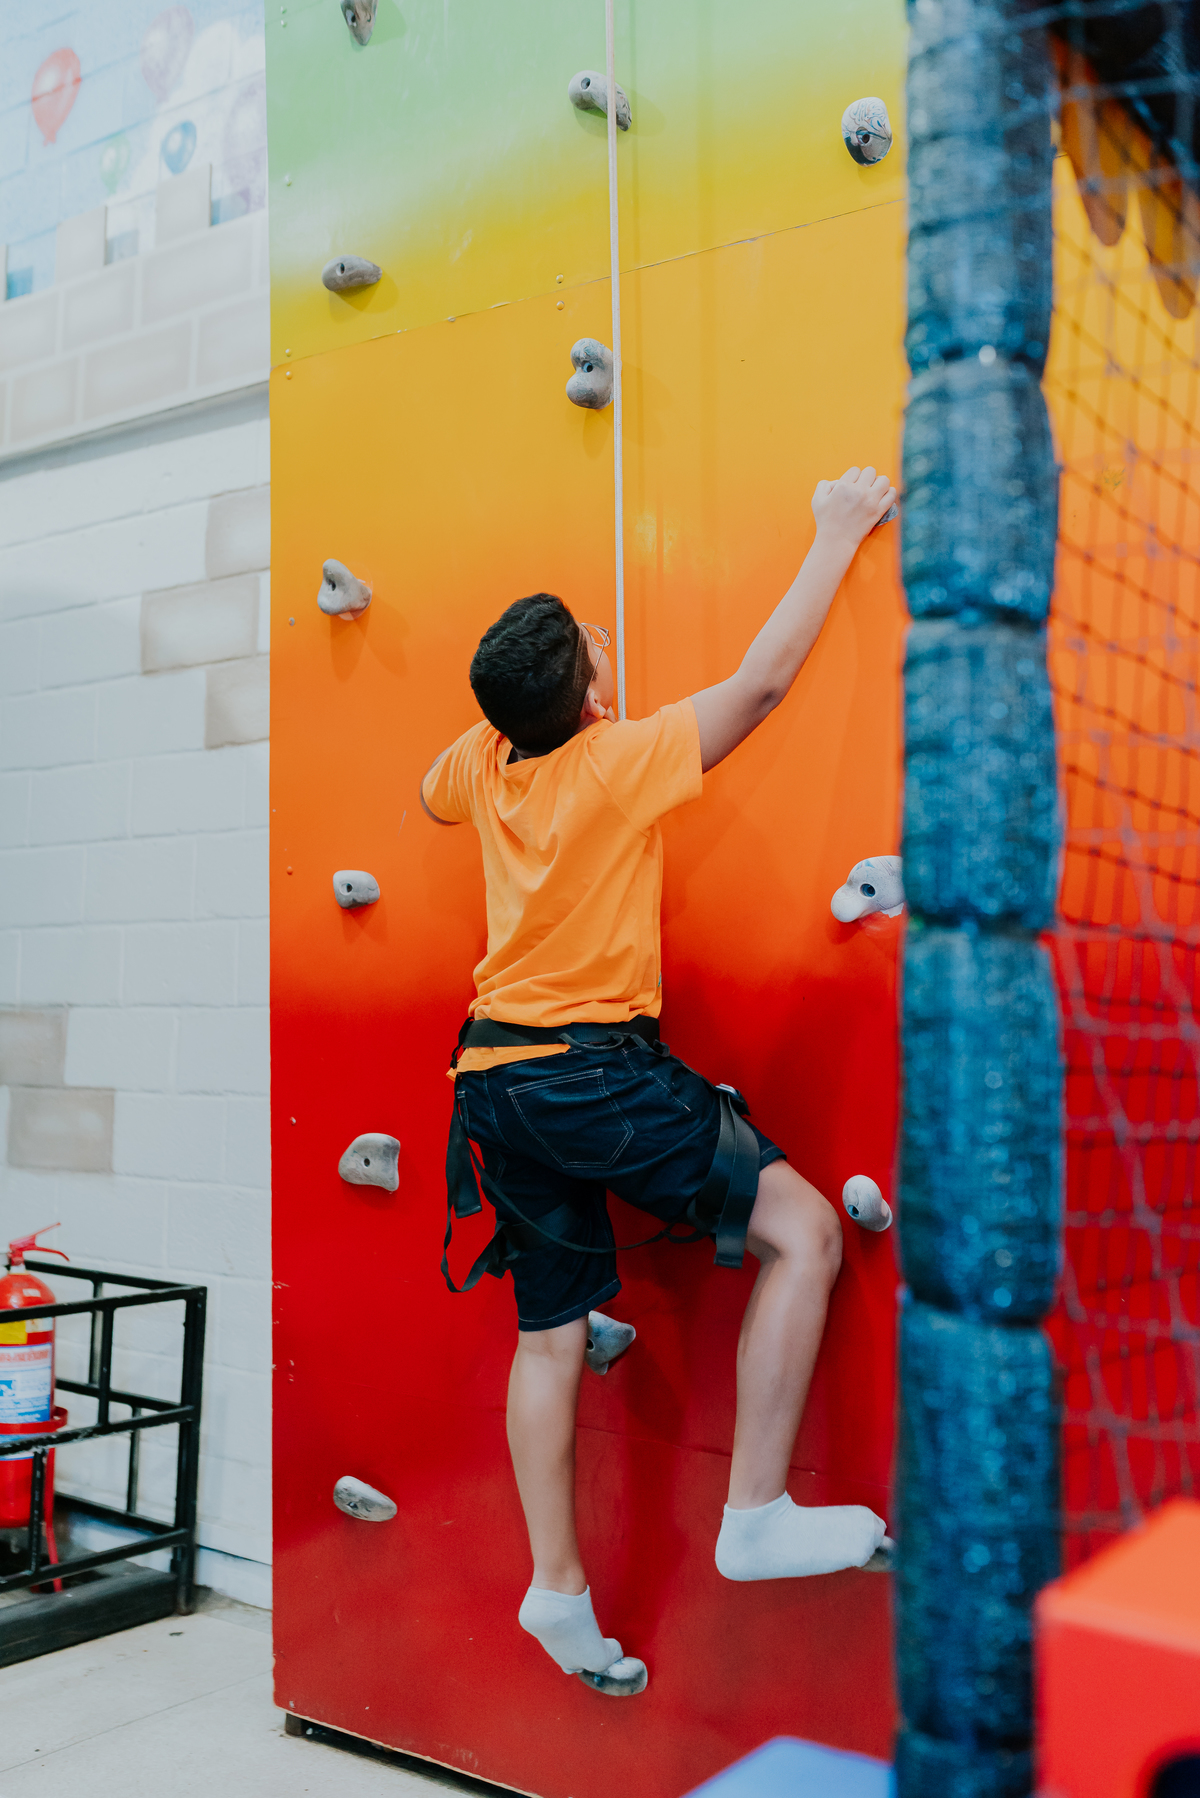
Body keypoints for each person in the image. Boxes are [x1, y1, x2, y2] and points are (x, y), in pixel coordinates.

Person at [421, 465, 897, 1696]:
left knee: (552, 1334)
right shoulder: (614, 760)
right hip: (584, 1070)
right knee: (802, 1231)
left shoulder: (483, 765)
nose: (605, 649)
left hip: (494, 1079)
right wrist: (835, 534)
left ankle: (555, 1585)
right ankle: (754, 1512)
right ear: (584, 699)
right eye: (594, 649)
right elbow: (761, 684)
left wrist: (541, 704)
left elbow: (439, 786)